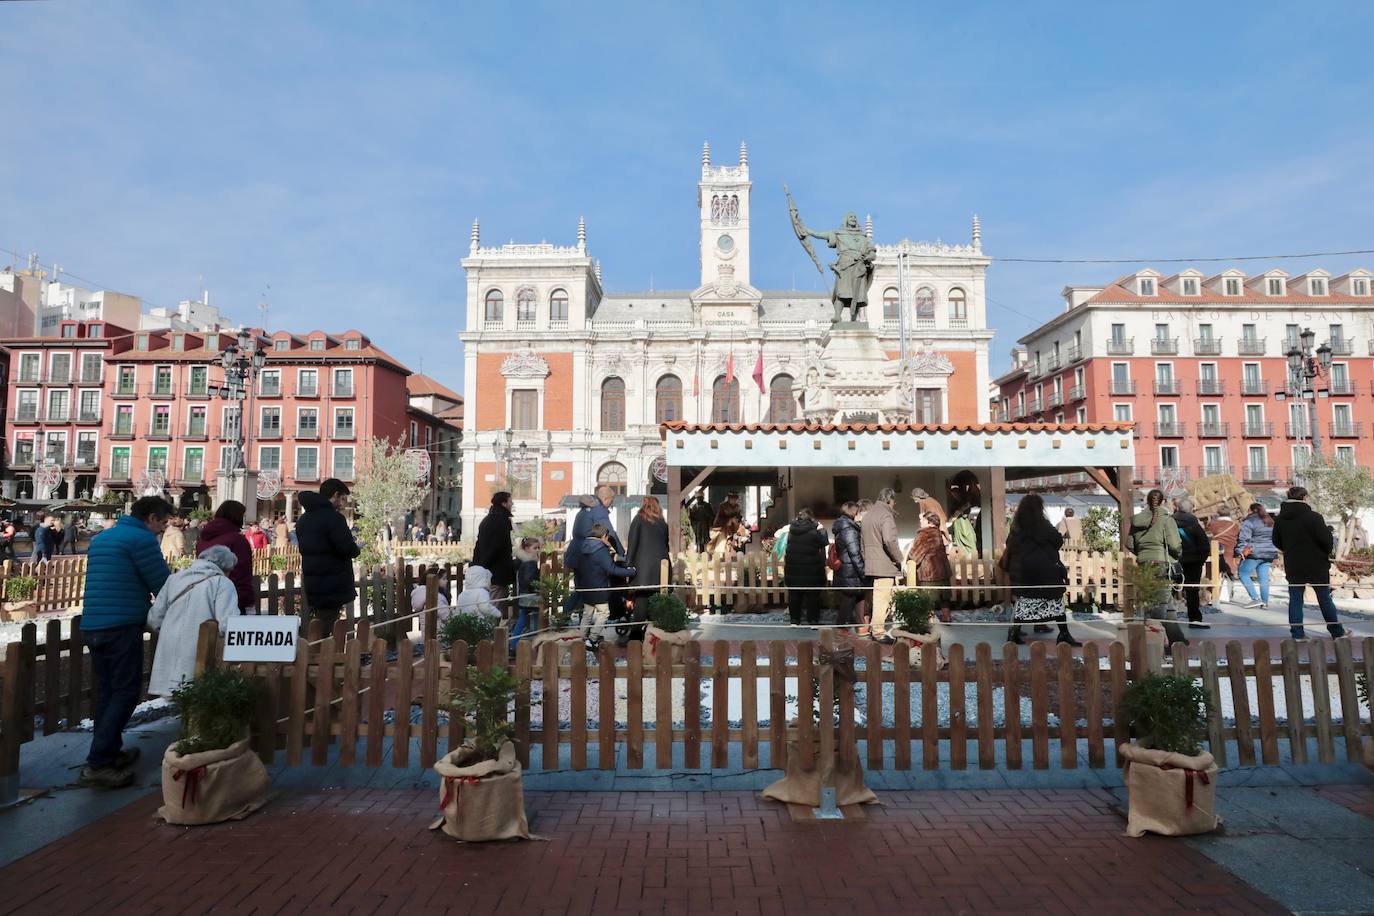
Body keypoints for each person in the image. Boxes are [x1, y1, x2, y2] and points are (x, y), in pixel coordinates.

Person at [79, 496, 173, 788]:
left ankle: (108, 752)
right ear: (152, 518)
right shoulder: (141, 540)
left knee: (108, 691)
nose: (163, 529)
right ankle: (97, 764)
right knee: (126, 692)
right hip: (121, 626)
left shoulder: (103, 538)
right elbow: (162, 584)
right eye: (163, 522)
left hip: (94, 623)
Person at [146, 545, 242, 697]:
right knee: (195, 700)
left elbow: (154, 618)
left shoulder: (174, 579)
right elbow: (228, 624)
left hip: (168, 652)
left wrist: (167, 631)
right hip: (199, 652)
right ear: (226, 568)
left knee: (175, 700)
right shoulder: (222, 583)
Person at [1003, 493, 1079, 646]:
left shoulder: (1016, 526)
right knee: (1056, 600)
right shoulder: (1041, 523)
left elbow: (1010, 545)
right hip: (1044, 572)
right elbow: (1057, 540)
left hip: (1023, 573)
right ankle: (1064, 634)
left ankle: (1014, 634)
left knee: (1023, 602)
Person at [1272, 486, 1348, 641]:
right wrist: (1324, 550)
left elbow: (1276, 541)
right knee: (1324, 598)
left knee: (1295, 599)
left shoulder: (1280, 519)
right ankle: (1337, 632)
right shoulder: (1314, 517)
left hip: (1293, 563)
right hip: (1316, 563)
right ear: (1305, 497)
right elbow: (1326, 541)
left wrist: (1289, 549)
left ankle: (1297, 634)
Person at [296, 478, 361, 631]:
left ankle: (313, 651)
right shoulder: (334, 518)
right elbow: (346, 548)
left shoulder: (304, 519)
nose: (344, 503)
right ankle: (315, 654)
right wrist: (356, 548)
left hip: (313, 580)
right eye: (344, 498)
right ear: (336, 495)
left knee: (318, 622)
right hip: (332, 581)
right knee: (325, 627)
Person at [1128, 489, 1187, 648]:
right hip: (1162, 563)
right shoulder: (1167, 520)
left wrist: (1143, 554)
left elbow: (1129, 544)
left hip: (1143, 563)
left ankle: (1176, 638)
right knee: (1160, 603)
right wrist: (1178, 554)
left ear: (1147, 501)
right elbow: (1175, 544)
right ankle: (1157, 641)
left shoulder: (1136, 520)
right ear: (1162, 502)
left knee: (1167, 604)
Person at [569, 523, 635, 652]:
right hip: (599, 587)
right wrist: (631, 571)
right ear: (604, 536)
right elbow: (612, 569)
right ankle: (592, 639)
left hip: (585, 587)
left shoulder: (582, 548)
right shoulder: (600, 549)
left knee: (587, 614)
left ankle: (581, 639)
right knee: (604, 613)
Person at [860, 488, 903, 643]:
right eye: (894, 502)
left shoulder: (868, 515)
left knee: (877, 597)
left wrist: (867, 559)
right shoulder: (885, 515)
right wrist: (899, 559)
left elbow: (862, 544)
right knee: (882, 599)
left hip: (871, 562)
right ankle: (878, 631)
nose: (894, 505)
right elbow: (889, 540)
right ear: (889, 500)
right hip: (884, 564)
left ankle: (874, 627)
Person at [196, 501, 257, 612]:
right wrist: (248, 601)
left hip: (204, 597)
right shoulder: (237, 540)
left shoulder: (203, 539)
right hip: (231, 598)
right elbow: (242, 574)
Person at [783, 508, 829, 626]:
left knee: (794, 595)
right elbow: (824, 542)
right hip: (811, 569)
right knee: (812, 596)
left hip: (794, 569)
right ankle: (813, 620)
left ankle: (794, 620)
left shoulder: (792, 530)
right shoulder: (814, 531)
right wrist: (821, 529)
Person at [1172, 497, 1212, 629]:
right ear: (1191, 510)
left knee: (1168, 589)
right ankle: (1194, 619)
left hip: (1174, 560)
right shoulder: (1194, 524)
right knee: (1192, 590)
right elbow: (1205, 546)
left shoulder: (1169, 522)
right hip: (1193, 562)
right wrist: (1200, 560)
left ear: (1177, 508)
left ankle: (1166, 619)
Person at [908, 510, 953, 619]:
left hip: (930, 572)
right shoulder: (938, 533)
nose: (921, 522)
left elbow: (916, 554)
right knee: (944, 598)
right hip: (943, 570)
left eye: (923, 520)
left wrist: (909, 559)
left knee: (927, 599)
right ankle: (947, 616)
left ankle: (929, 621)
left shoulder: (924, 534)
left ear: (930, 522)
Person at [472, 492, 516, 602]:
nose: (512, 503)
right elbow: (497, 547)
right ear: (504, 503)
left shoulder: (487, 520)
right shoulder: (501, 521)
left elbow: (479, 545)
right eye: (510, 501)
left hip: (486, 570)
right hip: (496, 573)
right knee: (493, 608)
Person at [1236, 502, 1278, 609]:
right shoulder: (1270, 521)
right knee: (1263, 578)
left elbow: (1244, 538)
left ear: (1251, 510)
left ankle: (1255, 598)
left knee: (1243, 573)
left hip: (1254, 552)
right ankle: (1265, 602)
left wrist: (1240, 551)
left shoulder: (1249, 521)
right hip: (1269, 553)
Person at [831, 502, 866, 626]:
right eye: (858, 513)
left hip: (847, 568)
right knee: (849, 599)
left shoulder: (843, 526)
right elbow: (854, 552)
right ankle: (840, 630)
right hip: (850, 569)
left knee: (854, 597)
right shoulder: (849, 529)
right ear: (853, 513)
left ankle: (858, 625)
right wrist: (863, 571)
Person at [512, 538, 541, 649]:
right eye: (535, 548)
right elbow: (530, 580)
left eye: (538, 547)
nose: (537, 550)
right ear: (527, 549)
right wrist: (538, 586)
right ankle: (538, 644)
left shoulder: (522, 561)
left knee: (522, 619)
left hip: (524, 594)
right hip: (531, 595)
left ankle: (513, 644)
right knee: (537, 619)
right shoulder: (530, 563)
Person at [1207, 508, 1241, 603]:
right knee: (1229, 573)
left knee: (1213, 574)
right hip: (1230, 553)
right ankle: (1228, 594)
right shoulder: (1235, 526)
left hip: (1215, 551)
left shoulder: (1213, 524)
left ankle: (1213, 594)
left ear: (1218, 514)